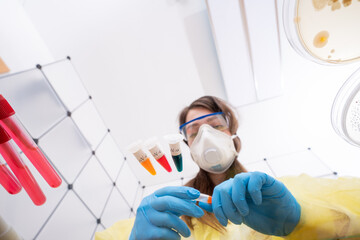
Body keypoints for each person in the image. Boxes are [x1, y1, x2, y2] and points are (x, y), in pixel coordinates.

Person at [95, 96, 360, 240]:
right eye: (194, 130)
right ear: (187, 145)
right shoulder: (166, 216)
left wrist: (301, 220)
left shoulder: (290, 190)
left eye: (216, 124)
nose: (206, 135)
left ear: (232, 133)